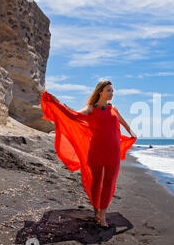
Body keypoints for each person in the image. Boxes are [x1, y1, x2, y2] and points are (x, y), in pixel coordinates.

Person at [40, 81, 137, 227]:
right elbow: (74, 116)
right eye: (109, 90)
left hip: (113, 150)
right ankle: (96, 210)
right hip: (95, 150)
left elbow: (124, 123)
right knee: (96, 181)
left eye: (112, 91)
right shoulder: (91, 108)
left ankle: (102, 215)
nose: (112, 93)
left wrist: (131, 133)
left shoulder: (114, 109)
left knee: (109, 182)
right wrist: (58, 104)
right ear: (100, 92)